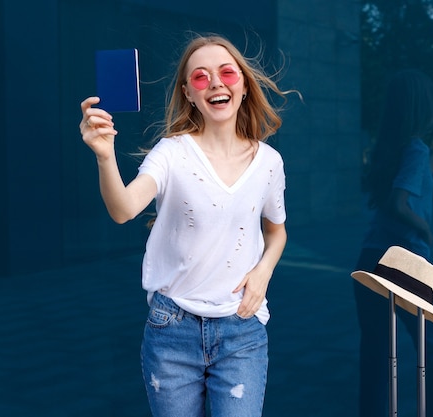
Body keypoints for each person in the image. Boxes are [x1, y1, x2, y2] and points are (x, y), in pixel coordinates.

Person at [79, 34, 295, 417]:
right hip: (171, 328)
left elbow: (276, 231)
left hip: (241, 329)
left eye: (227, 72)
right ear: (189, 94)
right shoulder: (172, 152)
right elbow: (123, 209)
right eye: (200, 77)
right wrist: (104, 156)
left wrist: (263, 272)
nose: (215, 82)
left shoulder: (269, 163)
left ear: (243, 86)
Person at [353, 68, 433, 416]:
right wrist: (425, 230)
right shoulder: (414, 149)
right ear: (421, 107)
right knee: (432, 352)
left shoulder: (393, 149)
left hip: (370, 259)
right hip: (405, 263)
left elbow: (421, 172)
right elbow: (399, 203)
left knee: (377, 357)